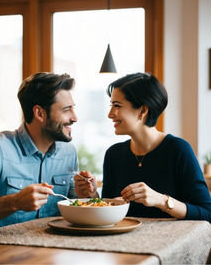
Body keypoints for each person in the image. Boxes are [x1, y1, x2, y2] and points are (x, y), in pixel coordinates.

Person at [75, 73, 211, 222]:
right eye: (111, 105)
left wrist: (161, 200)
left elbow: (206, 213)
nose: (110, 114)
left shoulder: (178, 150)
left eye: (117, 106)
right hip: (121, 243)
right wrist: (92, 195)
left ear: (142, 111)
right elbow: (111, 210)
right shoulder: (114, 154)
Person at [0, 72, 85, 231]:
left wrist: (89, 195)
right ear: (39, 113)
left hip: (51, 250)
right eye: (66, 110)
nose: (74, 118)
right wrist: (15, 202)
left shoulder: (68, 153)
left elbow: (76, 210)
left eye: (73, 109)